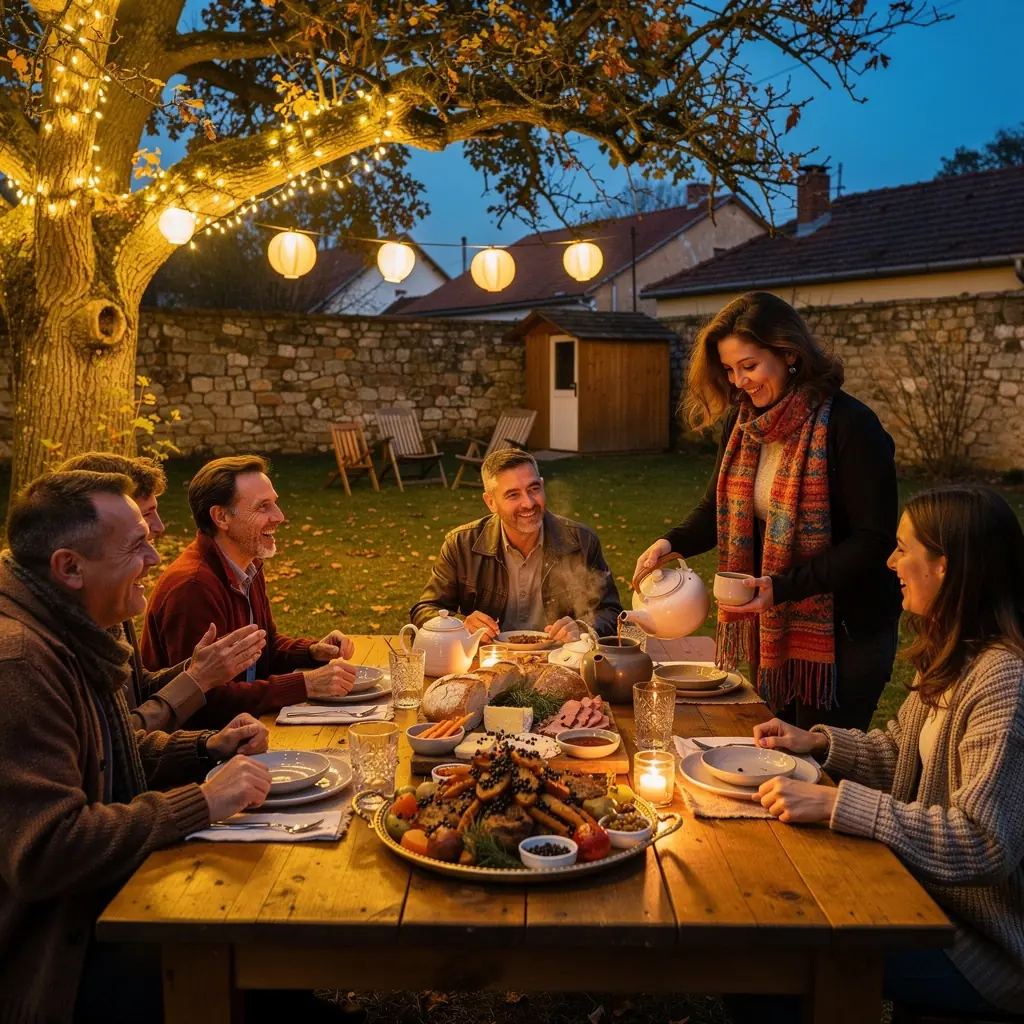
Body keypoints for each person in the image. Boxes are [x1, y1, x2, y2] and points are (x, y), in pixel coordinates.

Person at [0, 470, 274, 1024]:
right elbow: (48, 850)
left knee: (260, 890)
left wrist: (205, 747)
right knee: (240, 922)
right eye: (136, 546)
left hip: (105, 895)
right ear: (69, 568)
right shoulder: (22, 664)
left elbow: (109, 752)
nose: (155, 557)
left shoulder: (74, 626)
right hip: (60, 953)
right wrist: (202, 801)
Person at [740, 484, 1024, 1019]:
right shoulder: (953, 653)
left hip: (985, 946)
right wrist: (817, 742)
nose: (891, 562)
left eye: (902, 548)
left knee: (776, 954)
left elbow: (984, 841)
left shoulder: (1002, 678)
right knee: (766, 913)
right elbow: (899, 754)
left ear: (944, 566)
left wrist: (836, 803)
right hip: (923, 898)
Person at [634, 292, 901, 730]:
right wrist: (671, 542)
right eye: (729, 369)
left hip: (847, 632)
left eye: (749, 366)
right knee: (773, 746)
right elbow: (717, 509)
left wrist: (783, 587)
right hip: (773, 623)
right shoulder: (743, 425)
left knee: (823, 758)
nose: (739, 381)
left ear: (789, 353)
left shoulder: (850, 425)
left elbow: (874, 541)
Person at [142, 455, 357, 729]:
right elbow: (202, 702)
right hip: (207, 744)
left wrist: (312, 652)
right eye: (263, 507)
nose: (279, 516)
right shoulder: (192, 587)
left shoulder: (248, 565)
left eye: (274, 503)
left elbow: (263, 649)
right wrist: (305, 684)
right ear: (221, 517)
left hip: (248, 728)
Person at [58, 452, 267, 732]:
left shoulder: (108, 601)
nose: (158, 527)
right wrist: (197, 680)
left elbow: (136, 692)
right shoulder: (32, 655)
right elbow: (121, 742)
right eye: (145, 515)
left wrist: (206, 741)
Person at [411, 448, 622, 641]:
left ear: (542, 485)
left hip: (560, 659)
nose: (528, 503)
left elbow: (611, 612)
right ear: (490, 502)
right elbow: (425, 610)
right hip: (488, 660)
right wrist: (460, 625)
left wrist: (583, 628)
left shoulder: (582, 542)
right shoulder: (461, 544)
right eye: (513, 495)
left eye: (534, 489)